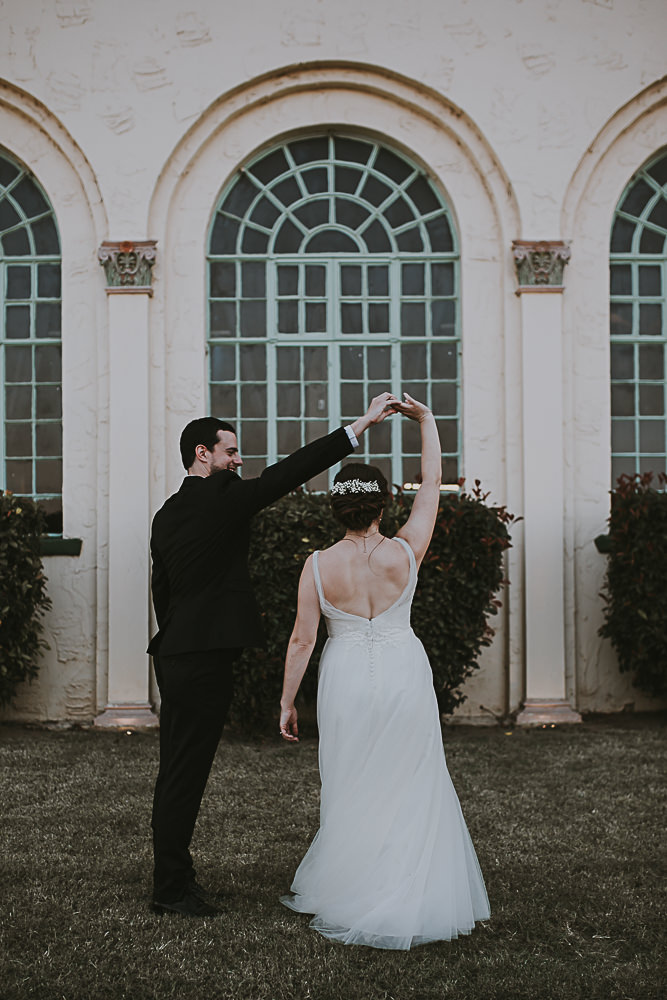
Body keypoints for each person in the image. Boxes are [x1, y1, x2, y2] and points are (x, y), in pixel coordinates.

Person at [148, 393, 399, 917]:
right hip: (203, 656)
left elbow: (163, 589)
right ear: (203, 454)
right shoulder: (223, 497)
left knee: (176, 768)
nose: (239, 460)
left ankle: (175, 877)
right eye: (231, 451)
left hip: (173, 653)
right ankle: (171, 889)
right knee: (185, 772)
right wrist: (361, 426)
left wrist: (178, 635)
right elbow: (293, 470)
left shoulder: (167, 513)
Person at [279, 393, 490, 949]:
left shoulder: (318, 566)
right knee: (411, 778)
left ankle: (354, 884)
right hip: (403, 671)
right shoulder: (406, 549)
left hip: (345, 677)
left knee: (350, 781)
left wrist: (286, 702)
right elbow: (431, 483)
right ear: (382, 506)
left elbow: (303, 640)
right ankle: (409, 885)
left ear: (336, 509)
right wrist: (427, 421)